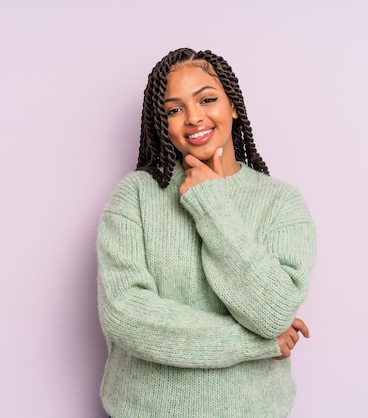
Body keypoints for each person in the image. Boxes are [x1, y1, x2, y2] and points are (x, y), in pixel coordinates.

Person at [96, 47, 316, 417]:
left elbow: (273, 313)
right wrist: (258, 344)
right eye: (174, 109)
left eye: (207, 100)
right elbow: (126, 315)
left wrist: (209, 203)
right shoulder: (135, 196)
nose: (193, 118)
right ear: (160, 121)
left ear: (233, 106)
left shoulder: (281, 203)